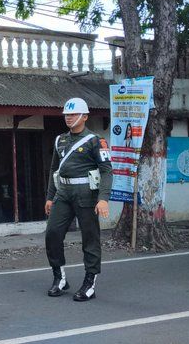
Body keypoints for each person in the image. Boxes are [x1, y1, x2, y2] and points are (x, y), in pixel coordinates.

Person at [45, 98, 112, 302]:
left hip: (86, 194)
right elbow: (54, 169)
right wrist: (49, 197)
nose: (68, 118)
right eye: (66, 114)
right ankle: (59, 277)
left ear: (84, 117)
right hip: (63, 192)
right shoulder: (60, 140)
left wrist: (103, 198)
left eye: (73, 114)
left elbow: (106, 170)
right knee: (52, 233)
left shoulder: (95, 140)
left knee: (90, 238)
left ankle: (89, 282)